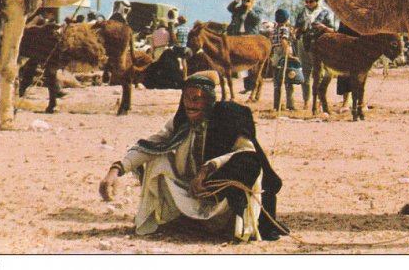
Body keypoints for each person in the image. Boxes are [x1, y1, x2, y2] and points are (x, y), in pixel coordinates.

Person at [99, 71, 286, 241]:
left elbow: (246, 152)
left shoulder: (228, 120)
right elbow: (150, 145)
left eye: (197, 99)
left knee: (247, 164)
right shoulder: (181, 123)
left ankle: (231, 226)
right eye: (187, 99)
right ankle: (175, 219)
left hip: (218, 196)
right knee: (158, 158)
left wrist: (208, 169)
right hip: (189, 193)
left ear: (209, 100)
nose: (190, 104)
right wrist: (116, 170)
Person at [294, 0, 336, 108]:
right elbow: (296, 26)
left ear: (317, 1)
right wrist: (298, 30)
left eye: (311, 1)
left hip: (319, 45)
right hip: (303, 43)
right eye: (306, 1)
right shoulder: (302, 13)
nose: (308, 4)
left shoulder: (325, 13)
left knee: (318, 74)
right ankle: (306, 101)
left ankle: (318, 100)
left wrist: (324, 28)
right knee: (305, 73)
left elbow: (333, 30)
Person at [226, 0, 264, 94]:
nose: (245, 0)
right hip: (239, 36)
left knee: (251, 63)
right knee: (243, 62)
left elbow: (256, 20)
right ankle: (247, 87)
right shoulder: (239, 9)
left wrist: (249, 9)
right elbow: (229, 9)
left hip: (251, 37)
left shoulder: (258, 9)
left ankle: (254, 87)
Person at [270, 9, 297, 111]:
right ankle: (290, 105)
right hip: (283, 54)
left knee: (277, 84)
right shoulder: (285, 29)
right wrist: (289, 55)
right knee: (289, 82)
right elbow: (284, 41)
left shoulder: (274, 30)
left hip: (275, 56)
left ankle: (277, 105)